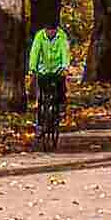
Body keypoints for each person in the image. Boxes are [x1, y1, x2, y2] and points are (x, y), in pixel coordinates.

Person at [28, 20, 70, 148]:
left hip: (57, 69)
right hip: (43, 70)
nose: (50, 33)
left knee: (60, 88)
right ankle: (40, 125)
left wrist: (65, 66)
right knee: (41, 98)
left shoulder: (61, 36)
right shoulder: (40, 36)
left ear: (56, 30)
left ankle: (61, 107)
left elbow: (65, 51)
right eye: (48, 30)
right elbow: (35, 52)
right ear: (45, 30)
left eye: (53, 31)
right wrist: (33, 68)